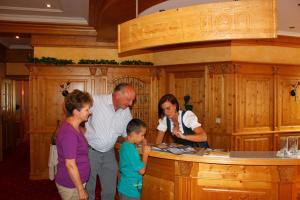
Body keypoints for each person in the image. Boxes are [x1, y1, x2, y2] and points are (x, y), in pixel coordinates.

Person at [85, 83, 136, 200]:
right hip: (90, 151)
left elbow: (128, 134)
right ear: (117, 95)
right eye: (128, 99)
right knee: (89, 189)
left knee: (110, 190)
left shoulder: (126, 111)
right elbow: (77, 114)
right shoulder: (96, 101)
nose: (131, 104)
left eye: (132, 100)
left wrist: (138, 137)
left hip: (109, 153)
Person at [55, 89, 93, 200]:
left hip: (76, 183)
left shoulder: (74, 126)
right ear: (76, 112)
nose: (89, 112)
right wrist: (80, 189)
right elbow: (70, 164)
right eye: (87, 109)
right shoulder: (69, 133)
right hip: (71, 185)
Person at [117, 119, 151, 200]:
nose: (143, 138)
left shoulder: (126, 145)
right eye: (142, 135)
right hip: (129, 190)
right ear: (133, 134)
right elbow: (142, 171)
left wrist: (144, 144)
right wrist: (145, 154)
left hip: (126, 187)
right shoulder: (131, 149)